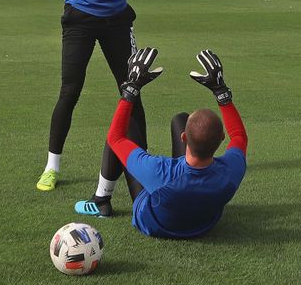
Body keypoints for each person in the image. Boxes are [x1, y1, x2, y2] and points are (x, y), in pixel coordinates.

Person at [37, 0, 153, 218]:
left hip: (117, 20)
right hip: (80, 20)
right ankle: (52, 166)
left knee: (132, 93)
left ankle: (142, 170)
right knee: (70, 91)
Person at [85, 47, 247, 238]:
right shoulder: (230, 170)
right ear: (221, 138)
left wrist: (131, 89)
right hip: (202, 224)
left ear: (184, 138)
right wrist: (221, 92)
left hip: (154, 223)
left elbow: (116, 138)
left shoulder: (160, 171)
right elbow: (239, 137)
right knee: (180, 119)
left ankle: (101, 199)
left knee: (126, 127)